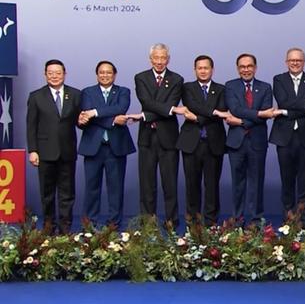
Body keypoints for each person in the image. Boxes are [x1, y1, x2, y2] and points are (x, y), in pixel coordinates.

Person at [132, 43, 186, 228]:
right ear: (151, 59)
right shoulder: (141, 77)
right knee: (147, 183)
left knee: (170, 182)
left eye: (163, 58)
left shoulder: (177, 79)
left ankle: (171, 219)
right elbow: (146, 101)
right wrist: (170, 109)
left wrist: (146, 114)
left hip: (168, 137)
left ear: (168, 59)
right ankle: (148, 220)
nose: (160, 61)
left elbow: (165, 105)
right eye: (157, 57)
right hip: (147, 137)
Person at [77, 60, 136, 229]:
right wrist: (113, 120)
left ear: (114, 75)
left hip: (116, 147)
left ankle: (114, 225)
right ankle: (90, 225)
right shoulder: (87, 92)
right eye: (101, 72)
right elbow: (88, 115)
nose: (105, 75)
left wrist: (95, 113)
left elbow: (121, 107)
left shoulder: (123, 91)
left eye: (108, 72)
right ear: (97, 75)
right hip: (93, 148)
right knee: (91, 189)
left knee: (116, 189)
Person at [26, 59, 81, 234]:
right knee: (47, 195)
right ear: (45, 74)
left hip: (67, 151)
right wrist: (33, 150)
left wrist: (84, 120)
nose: (54, 76)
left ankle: (65, 230)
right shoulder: (36, 96)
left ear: (64, 74)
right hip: (44, 153)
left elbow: (79, 122)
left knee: (67, 194)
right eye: (51, 73)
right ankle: (49, 229)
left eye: (58, 73)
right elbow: (31, 126)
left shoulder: (75, 94)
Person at [269, 48, 305, 225]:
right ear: (286, 62)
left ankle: (303, 219)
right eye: (291, 60)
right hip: (284, 136)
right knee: (287, 179)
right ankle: (288, 219)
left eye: (298, 60)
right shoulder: (279, 79)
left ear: (304, 62)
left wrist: (287, 111)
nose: (295, 63)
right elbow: (283, 101)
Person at [176, 55, 230, 225]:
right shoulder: (187, 87)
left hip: (214, 143)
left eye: (206, 68)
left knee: (212, 185)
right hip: (191, 143)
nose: (203, 71)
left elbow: (222, 109)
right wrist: (214, 113)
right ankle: (193, 222)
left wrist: (197, 118)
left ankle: (211, 222)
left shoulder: (222, 89)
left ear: (212, 70)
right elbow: (192, 105)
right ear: (195, 70)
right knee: (192, 185)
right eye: (200, 68)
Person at [225, 53, 277, 223]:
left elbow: (266, 114)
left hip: (257, 142)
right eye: (242, 66)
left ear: (255, 67)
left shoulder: (265, 87)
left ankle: (256, 220)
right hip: (236, 143)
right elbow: (235, 109)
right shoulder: (230, 86)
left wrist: (240, 121)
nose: (246, 69)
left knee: (256, 183)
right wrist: (258, 114)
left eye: (249, 66)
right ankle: (237, 219)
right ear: (237, 68)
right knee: (237, 184)